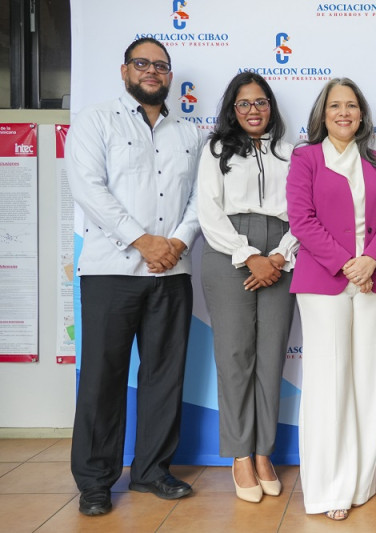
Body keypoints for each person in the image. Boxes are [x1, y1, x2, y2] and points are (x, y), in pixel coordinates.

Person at [66, 37, 204, 516]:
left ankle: (151, 471)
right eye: (142, 64)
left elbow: (200, 201)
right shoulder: (94, 119)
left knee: (164, 377)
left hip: (174, 273)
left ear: (169, 76)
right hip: (111, 270)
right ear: (124, 70)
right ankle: (96, 482)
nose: (152, 72)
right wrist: (143, 241)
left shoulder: (189, 133)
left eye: (160, 66)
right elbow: (88, 187)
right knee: (103, 379)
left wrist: (178, 243)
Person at [286, 78, 376, 521]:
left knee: (368, 381)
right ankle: (328, 488)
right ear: (323, 113)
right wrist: (347, 262)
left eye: (351, 105)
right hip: (324, 281)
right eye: (335, 105)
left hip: (373, 282)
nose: (344, 113)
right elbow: (302, 218)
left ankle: (359, 481)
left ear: (361, 113)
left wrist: (371, 260)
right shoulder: (305, 157)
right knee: (329, 382)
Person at [197, 72, 296, 503]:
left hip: (282, 255)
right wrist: (248, 254)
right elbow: (209, 212)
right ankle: (239, 455)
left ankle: (262, 452)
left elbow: (303, 214)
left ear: (270, 107)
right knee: (235, 356)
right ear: (232, 110)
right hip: (228, 253)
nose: (253, 110)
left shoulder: (292, 153)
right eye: (244, 104)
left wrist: (279, 255)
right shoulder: (216, 150)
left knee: (270, 357)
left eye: (260, 102)